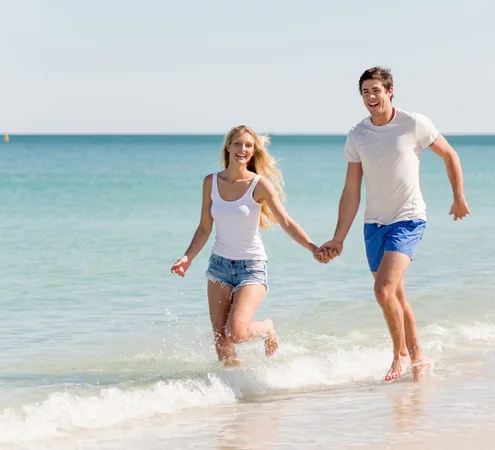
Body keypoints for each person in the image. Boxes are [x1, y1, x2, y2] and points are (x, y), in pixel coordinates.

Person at [319, 67, 470, 381]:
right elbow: (350, 190)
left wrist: (458, 197)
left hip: (408, 219)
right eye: (365, 92)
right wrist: (339, 237)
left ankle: (399, 355)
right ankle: (419, 358)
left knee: (383, 291)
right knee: (396, 297)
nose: (371, 97)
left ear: (390, 92)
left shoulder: (413, 123)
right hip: (373, 225)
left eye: (376, 90)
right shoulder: (358, 135)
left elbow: (449, 155)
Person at [171, 125, 325, 366]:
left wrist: (313, 247)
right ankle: (237, 392)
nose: (242, 149)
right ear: (228, 146)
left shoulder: (259, 185)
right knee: (221, 341)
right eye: (238, 143)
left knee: (236, 332)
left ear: (253, 152)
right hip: (218, 266)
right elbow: (204, 228)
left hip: (251, 268)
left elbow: (285, 221)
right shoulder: (210, 182)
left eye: (248, 145)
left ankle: (266, 328)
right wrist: (187, 257)